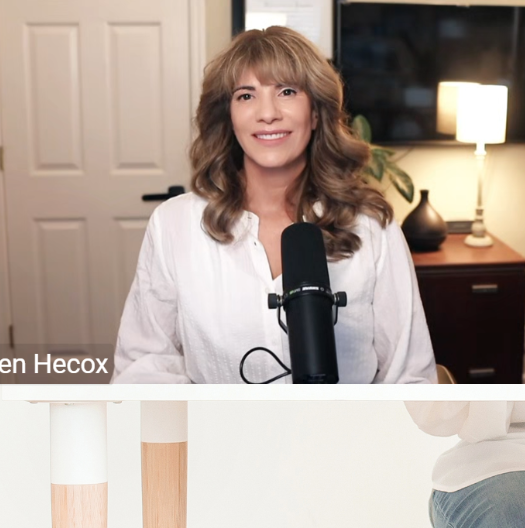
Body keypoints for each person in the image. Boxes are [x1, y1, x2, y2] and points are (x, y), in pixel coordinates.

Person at [112, 27, 436, 383]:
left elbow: (410, 375)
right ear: (229, 117)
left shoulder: (372, 225)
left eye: (286, 91)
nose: (267, 113)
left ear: (315, 114)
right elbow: (143, 366)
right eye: (246, 96)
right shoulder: (174, 224)